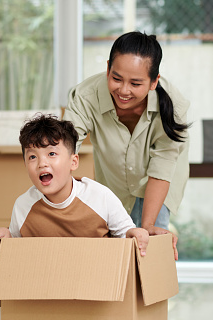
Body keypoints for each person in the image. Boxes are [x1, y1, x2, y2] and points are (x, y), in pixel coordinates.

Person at [64, 31, 191, 260]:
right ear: (107, 68)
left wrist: (148, 224)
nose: (123, 90)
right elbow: (65, 147)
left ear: (154, 81)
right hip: (113, 179)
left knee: (148, 249)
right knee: (115, 252)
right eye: (116, 78)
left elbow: (162, 167)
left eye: (135, 83)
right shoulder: (85, 96)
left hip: (159, 181)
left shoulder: (173, 106)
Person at [0, 114, 149, 258]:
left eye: (51, 154)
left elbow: (126, 235)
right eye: (32, 157)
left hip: (98, 283)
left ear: (73, 162)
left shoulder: (99, 197)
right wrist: (5, 234)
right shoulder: (23, 206)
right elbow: (16, 247)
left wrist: (135, 232)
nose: (42, 163)